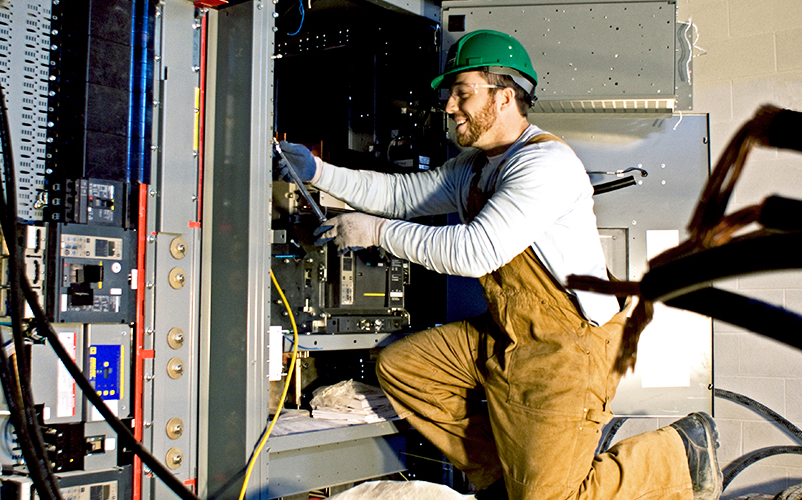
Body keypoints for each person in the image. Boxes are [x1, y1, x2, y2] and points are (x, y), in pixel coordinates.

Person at [278, 29, 722, 500]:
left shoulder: (545, 164)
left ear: (505, 96)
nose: (450, 106)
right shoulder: (476, 166)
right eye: (451, 95)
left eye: (462, 93)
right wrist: (319, 173)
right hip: (509, 331)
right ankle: (503, 482)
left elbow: (476, 251)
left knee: (553, 498)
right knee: (406, 367)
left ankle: (679, 455)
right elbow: (402, 195)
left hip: (567, 347)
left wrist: (376, 232)